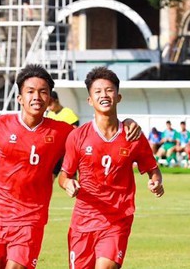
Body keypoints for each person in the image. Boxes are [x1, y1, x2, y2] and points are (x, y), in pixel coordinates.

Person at [0, 65, 142, 269]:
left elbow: (94, 135)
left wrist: (127, 122)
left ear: (49, 99)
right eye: (30, 91)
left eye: (43, 92)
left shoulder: (62, 132)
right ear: (20, 98)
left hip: (30, 220)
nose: (36, 97)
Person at [58, 66, 164, 269]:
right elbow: (64, 176)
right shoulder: (77, 136)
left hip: (117, 218)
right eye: (97, 91)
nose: (104, 95)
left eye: (109, 90)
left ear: (118, 96)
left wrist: (156, 181)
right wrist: (68, 184)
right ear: (90, 100)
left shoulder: (133, 135)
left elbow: (152, 168)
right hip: (83, 220)